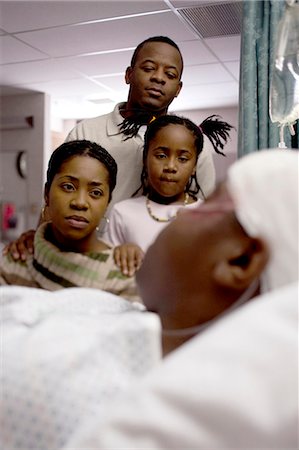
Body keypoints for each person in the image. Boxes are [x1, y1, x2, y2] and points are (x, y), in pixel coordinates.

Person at [62, 148, 298, 449]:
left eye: (209, 203)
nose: (184, 210)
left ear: (240, 261)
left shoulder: (128, 413)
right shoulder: (109, 313)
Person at [4, 35, 218, 261]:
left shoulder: (196, 149)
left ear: (178, 88)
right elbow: (57, 199)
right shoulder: (87, 133)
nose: (158, 78)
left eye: (170, 74)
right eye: (148, 68)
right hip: (83, 261)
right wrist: (38, 238)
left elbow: (208, 218)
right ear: (129, 74)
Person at [0, 140, 139, 302]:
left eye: (95, 192)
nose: (79, 202)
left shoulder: (122, 278)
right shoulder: (15, 261)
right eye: (68, 187)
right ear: (47, 194)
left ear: (107, 203)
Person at [102, 114, 233, 276]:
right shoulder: (123, 212)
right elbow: (104, 269)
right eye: (161, 156)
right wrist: (120, 252)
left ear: (194, 166)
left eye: (183, 159)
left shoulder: (207, 215)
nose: (170, 166)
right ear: (145, 158)